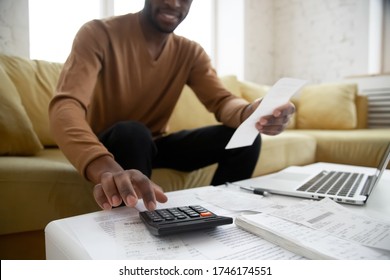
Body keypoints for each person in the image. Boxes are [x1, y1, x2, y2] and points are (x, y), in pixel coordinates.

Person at [49, 0, 295, 212]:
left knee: (244, 137)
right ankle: (137, 229)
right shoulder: (98, 33)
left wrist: (251, 112)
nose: (174, 3)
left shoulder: (190, 52)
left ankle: (220, 215)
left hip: (155, 145)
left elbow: (222, 101)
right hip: (112, 145)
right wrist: (104, 166)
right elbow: (66, 105)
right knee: (133, 132)